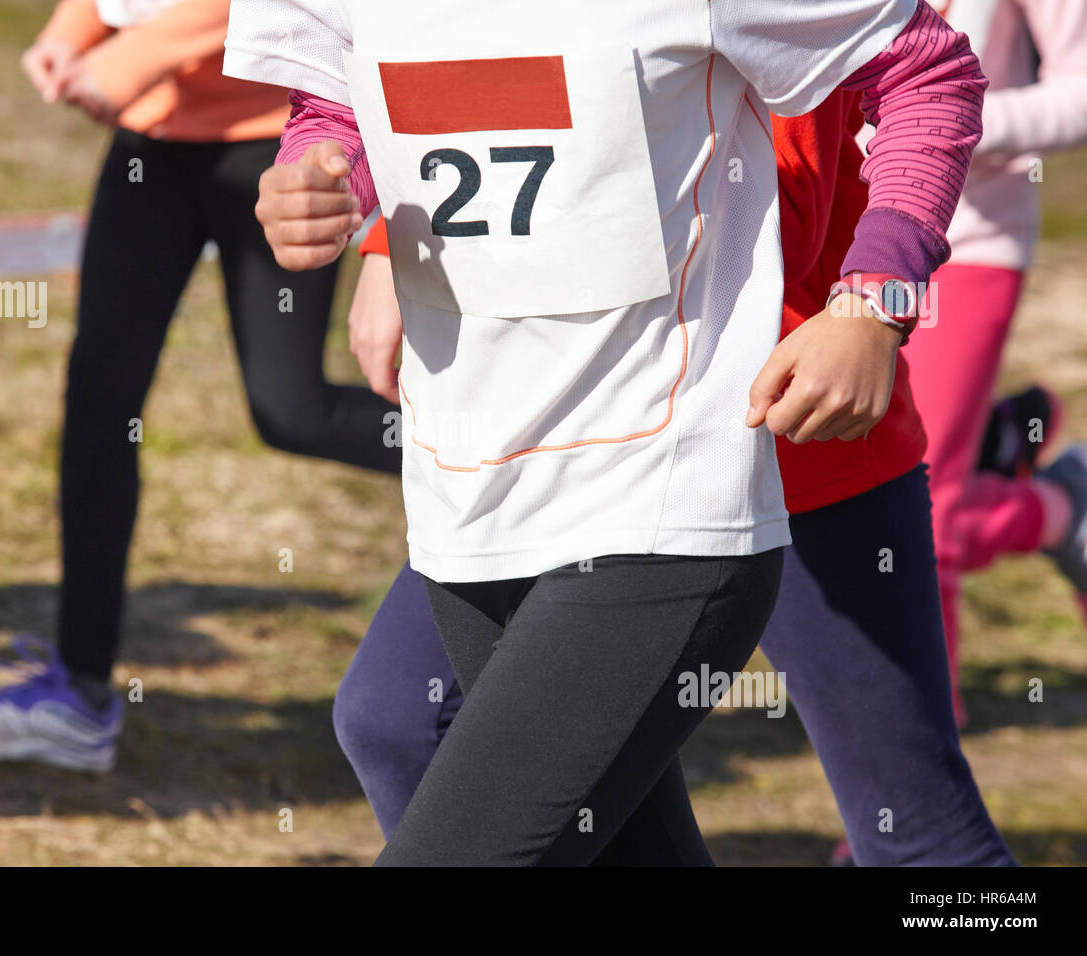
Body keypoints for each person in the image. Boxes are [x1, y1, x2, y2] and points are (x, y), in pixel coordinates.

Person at [226, 0, 986, 863]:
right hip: (481, 494)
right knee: (411, 728)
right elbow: (354, 92)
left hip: (735, 452)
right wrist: (327, 186)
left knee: (918, 835)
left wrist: (873, 300)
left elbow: (920, 75)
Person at [0, 0, 399, 772]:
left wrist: (137, 56)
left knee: (291, 411)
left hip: (272, 139)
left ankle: (490, 462)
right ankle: (78, 697)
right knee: (99, 406)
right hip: (152, 143)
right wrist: (72, 32)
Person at [903, 0, 1087, 726]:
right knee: (831, 511)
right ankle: (1047, 501)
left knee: (922, 519)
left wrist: (952, 121)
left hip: (967, 244)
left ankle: (913, 812)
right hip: (825, 245)